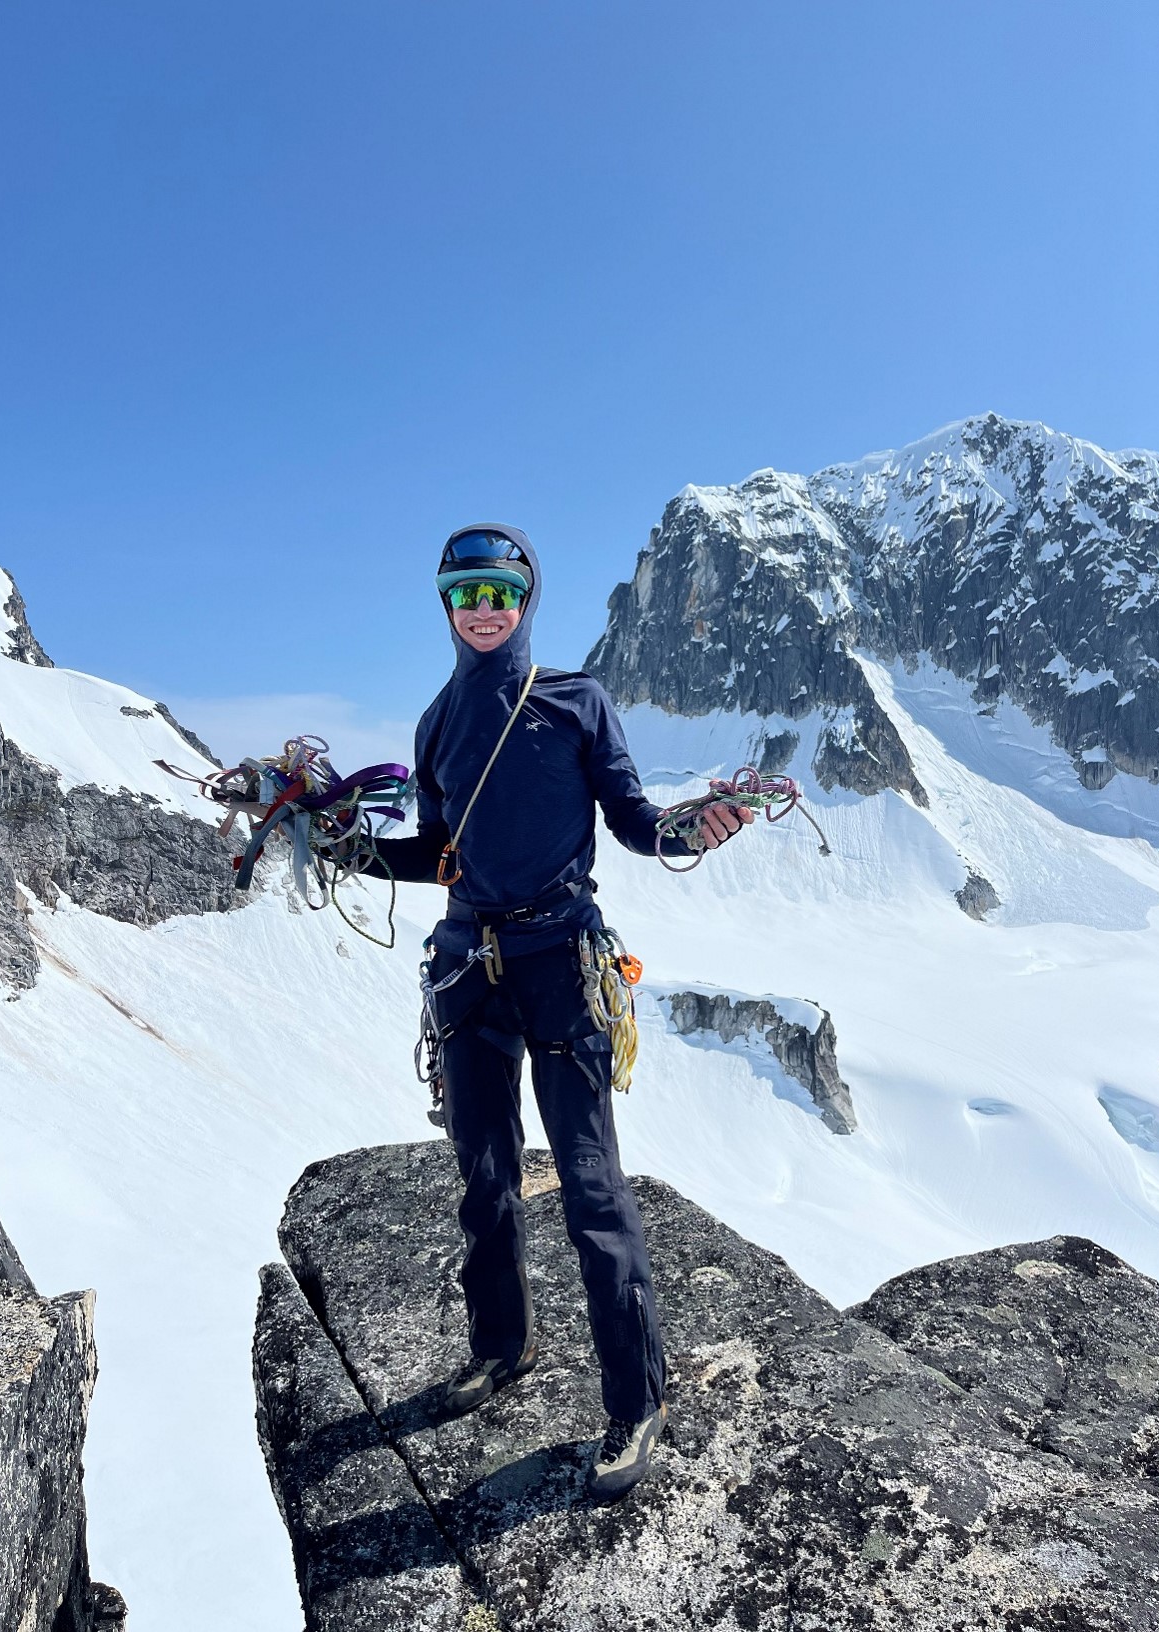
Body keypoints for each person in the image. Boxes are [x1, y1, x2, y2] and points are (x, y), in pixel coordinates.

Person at [368, 524, 750, 1500]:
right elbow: (441, 854)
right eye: (467, 593)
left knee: (589, 1183)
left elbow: (634, 823)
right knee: (484, 1174)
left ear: (527, 598)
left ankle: (637, 1399)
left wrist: (691, 830)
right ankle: (502, 1346)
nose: (484, 609)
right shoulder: (437, 723)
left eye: (500, 592)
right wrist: (344, 846)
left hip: (559, 964)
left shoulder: (577, 701)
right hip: (469, 964)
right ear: (446, 604)